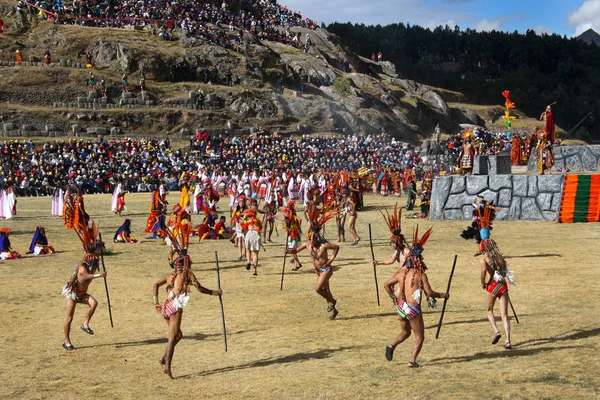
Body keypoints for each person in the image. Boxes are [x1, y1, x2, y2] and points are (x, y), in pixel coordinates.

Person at [153, 224, 222, 379]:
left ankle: (164, 358)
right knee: (172, 338)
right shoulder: (188, 275)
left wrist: (156, 303)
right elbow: (201, 289)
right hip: (175, 307)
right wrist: (215, 293)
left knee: (178, 336)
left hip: (166, 307)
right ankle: (167, 367)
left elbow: (155, 285)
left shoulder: (170, 275)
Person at [383, 226, 448, 367]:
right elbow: (430, 293)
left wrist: (394, 298)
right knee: (420, 336)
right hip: (413, 309)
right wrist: (443, 295)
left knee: (405, 333)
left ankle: (391, 346)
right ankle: (412, 360)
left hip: (401, 307)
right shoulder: (420, 275)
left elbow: (386, 285)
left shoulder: (401, 273)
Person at [286, 202, 340, 320]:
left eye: (315, 242)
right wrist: (288, 251)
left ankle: (332, 301)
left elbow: (336, 247)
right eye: (311, 241)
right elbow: (295, 250)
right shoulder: (307, 245)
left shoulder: (324, 245)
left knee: (318, 289)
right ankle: (333, 309)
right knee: (326, 290)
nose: (313, 244)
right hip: (318, 270)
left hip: (326, 269)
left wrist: (331, 260)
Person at [61, 221, 106, 350]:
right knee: (69, 318)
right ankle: (67, 341)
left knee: (94, 303)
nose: (95, 265)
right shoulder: (82, 268)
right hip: (73, 294)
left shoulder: (91, 267)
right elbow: (87, 276)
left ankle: (85, 324)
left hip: (82, 294)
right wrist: (100, 275)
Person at [475, 202, 514, 349]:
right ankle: (508, 341)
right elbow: (504, 270)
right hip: (503, 285)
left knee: (489, 310)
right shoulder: (499, 257)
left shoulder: (483, 259)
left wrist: (482, 282)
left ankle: (496, 331)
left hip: (492, 286)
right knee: (504, 315)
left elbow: (483, 271)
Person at [372, 203, 410, 269]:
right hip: (401, 273)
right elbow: (391, 260)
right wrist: (379, 263)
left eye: (393, 243)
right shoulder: (397, 251)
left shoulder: (407, 251)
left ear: (398, 242)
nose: (392, 245)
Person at [242, 208, 263, 275]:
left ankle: (248, 261)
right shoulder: (257, 219)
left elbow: (242, 226)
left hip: (249, 233)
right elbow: (260, 228)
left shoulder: (247, 219)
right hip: (256, 234)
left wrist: (243, 233)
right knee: (255, 254)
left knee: (248, 250)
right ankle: (255, 271)